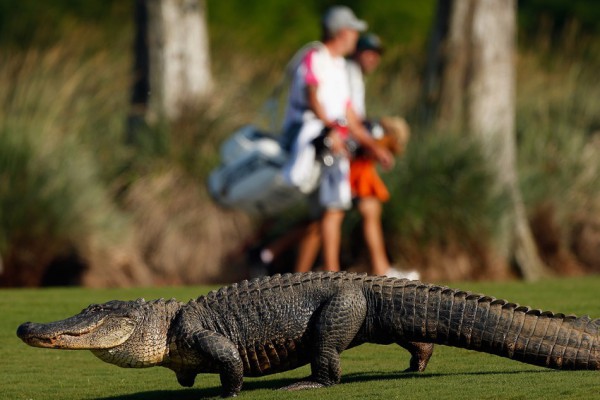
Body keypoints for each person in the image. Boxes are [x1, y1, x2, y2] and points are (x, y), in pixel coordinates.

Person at [280, 6, 393, 273]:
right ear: (342, 32)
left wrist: (373, 147)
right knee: (327, 208)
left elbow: (349, 115)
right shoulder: (314, 56)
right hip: (310, 136)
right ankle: (327, 271)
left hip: (335, 142)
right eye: (354, 30)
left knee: (334, 208)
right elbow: (312, 96)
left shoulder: (341, 66)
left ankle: (329, 272)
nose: (356, 36)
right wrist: (331, 127)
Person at [346, 34, 419, 280]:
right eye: (369, 52)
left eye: (376, 54)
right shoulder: (346, 73)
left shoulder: (354, 76)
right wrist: (376, 143)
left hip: (353, 153)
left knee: (365, 209)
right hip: (343, 154)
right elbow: (348, 119)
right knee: (327, 216)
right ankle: (380, 270)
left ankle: (381, 268)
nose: (373, 58)